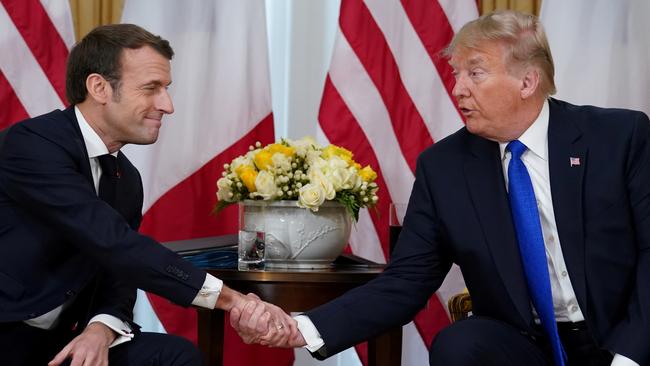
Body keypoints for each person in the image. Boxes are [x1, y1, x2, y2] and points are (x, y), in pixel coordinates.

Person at [232, 10, 650, 366]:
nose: (458, 88)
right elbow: (407, 280)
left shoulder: (617, 138)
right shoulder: (445, 166)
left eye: (476, 73)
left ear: (527, 82)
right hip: (525, 344)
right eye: (456, 74)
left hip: (622, 334)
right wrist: (303, 328)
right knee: (459, 344)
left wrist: (628, 356)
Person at [0, 24, 294, 365]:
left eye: (166, 89)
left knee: (176, 357)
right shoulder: (33, 145)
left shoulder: (127, 179)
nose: (167, 105)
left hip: (61, 342)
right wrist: (232, 300)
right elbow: (114, 243)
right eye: (151, 88)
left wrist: (101, 329)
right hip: (5, 333)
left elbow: (119, 276)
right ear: (99, 87)